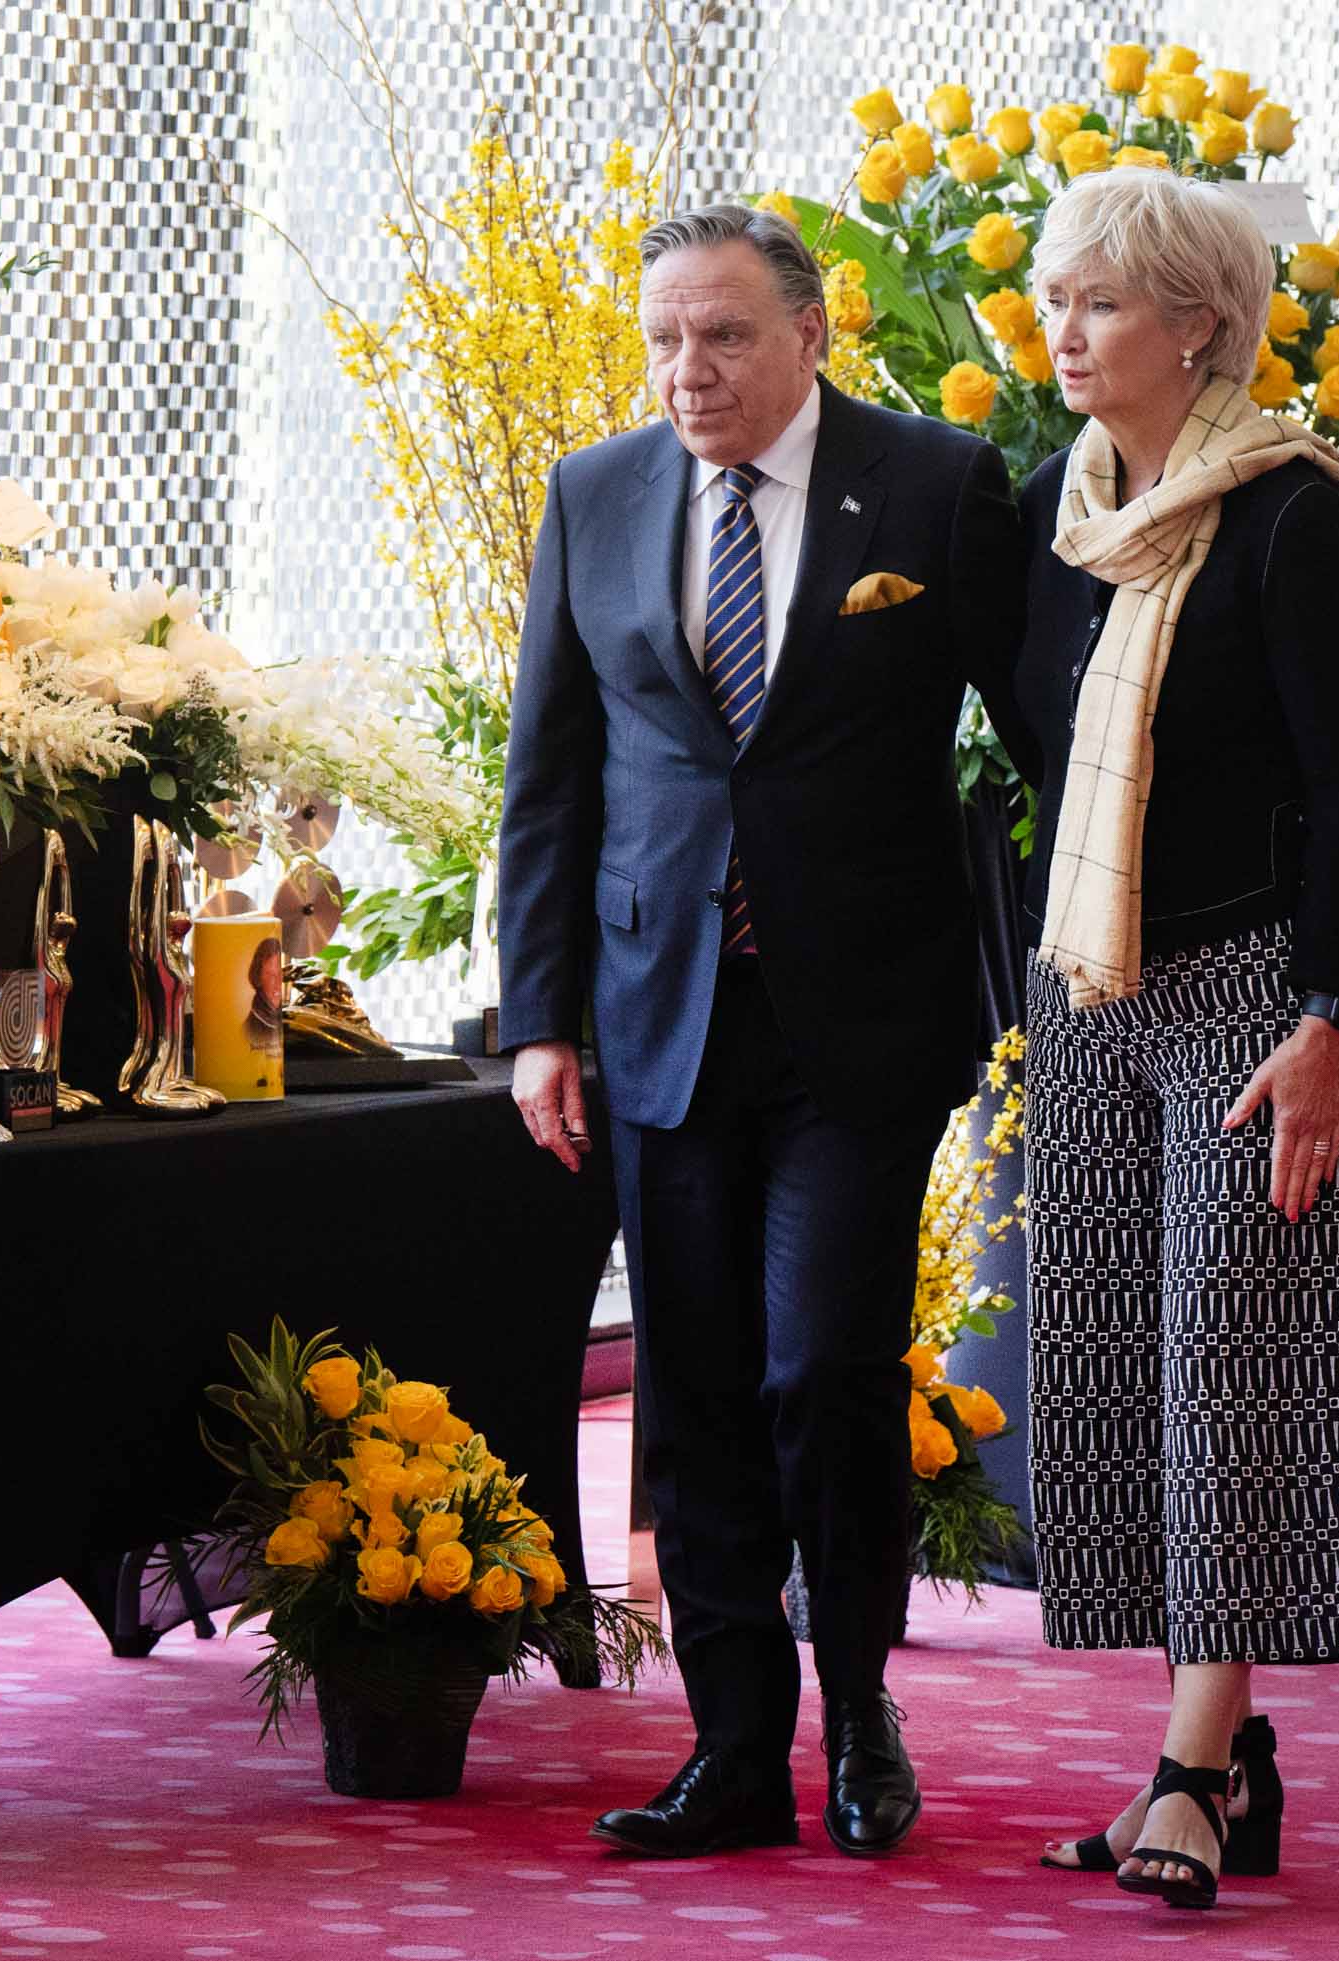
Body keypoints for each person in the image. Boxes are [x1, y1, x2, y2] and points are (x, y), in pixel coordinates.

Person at [500, 203, 1035, 1861]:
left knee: (826, 1368)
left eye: (724, 335)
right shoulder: (594, 493)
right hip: (659, 1009)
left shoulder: (938, 487)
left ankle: (859, 1701)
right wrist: (539, 1022)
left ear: (813, 335)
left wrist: (1067, 959)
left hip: (861, 1019)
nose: (689, 369)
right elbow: (550, 777)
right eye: (664, 337)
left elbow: (1042, 739)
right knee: (699, 1388)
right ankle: (733, 1744)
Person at [1013, 168, 1339, 1911]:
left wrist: (1328, 1024)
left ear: (1195, 322)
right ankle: (1226, 1755)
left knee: (1223, 1362)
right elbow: (1030, 752)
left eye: (1097, 302)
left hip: (1256, 995)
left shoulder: (1295, 512)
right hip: (1096, 987)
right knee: (1109, 1367)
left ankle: (1188, 1767)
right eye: (1052, 295)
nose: (1061, 330)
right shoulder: (1055, 504)